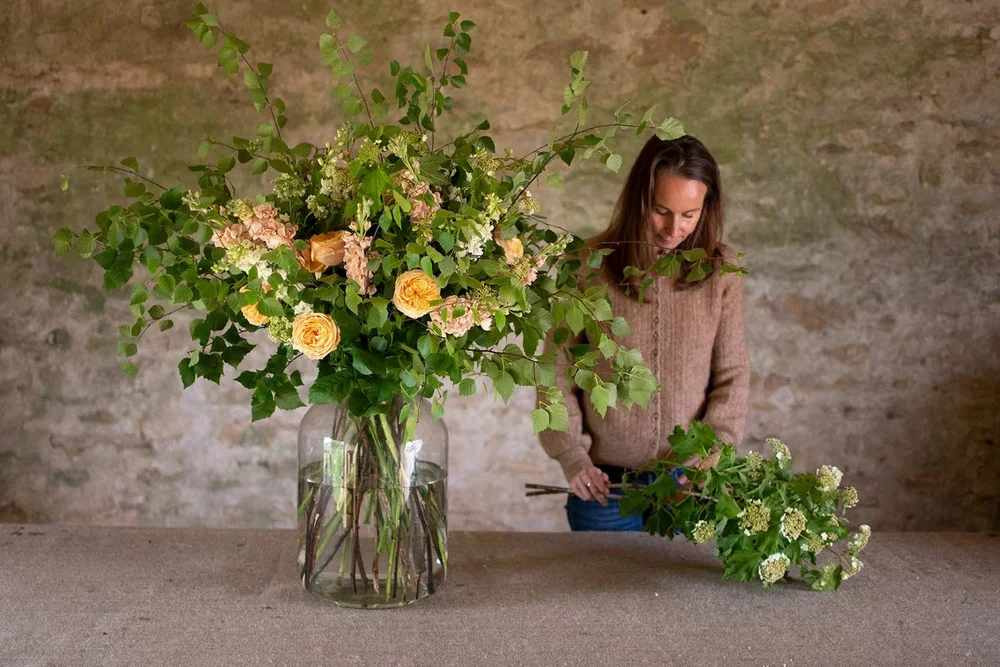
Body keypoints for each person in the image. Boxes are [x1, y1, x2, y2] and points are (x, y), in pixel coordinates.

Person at [537, 134, 750, 531]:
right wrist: (571, 456)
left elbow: (732, 374)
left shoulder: (721, 269)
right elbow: (556, 371)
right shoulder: (586, 264)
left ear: (708, 208)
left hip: (689, 485)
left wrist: (713, 453)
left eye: (690, 214)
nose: (674, 229)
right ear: (639, 200)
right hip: (606, 487)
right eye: (661, 210)